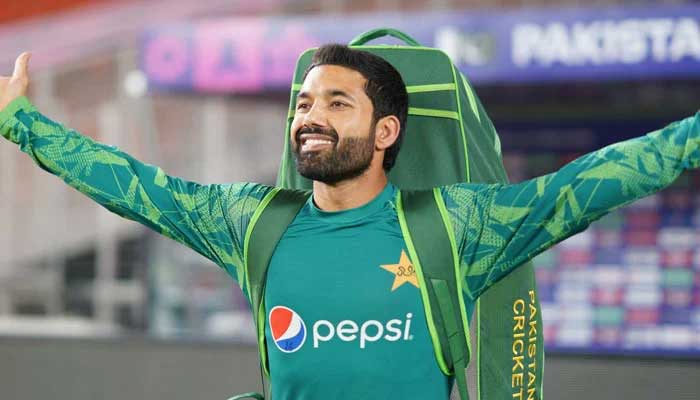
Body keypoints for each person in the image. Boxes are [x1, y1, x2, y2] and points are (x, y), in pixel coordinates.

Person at [1, 45, 698, 400]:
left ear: (387, 129)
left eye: (338, 103)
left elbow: (589, 183)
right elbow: (135, 189)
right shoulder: (249, 220)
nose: (310, 116)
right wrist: (21, 122)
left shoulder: (456, 224)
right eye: (304, 103)